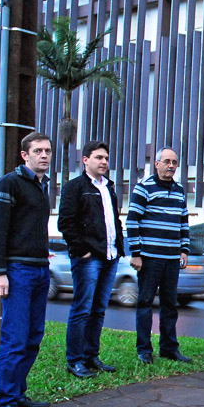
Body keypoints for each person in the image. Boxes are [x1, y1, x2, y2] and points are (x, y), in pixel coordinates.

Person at [0, 132, 54, 407]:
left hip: (40, 269)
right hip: (17, 272)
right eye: (38, 151)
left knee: (33, 336)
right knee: (15, 338)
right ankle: (5, 404)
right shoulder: (9, 183)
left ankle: (18, 394)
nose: (44, 155)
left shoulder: (42, 186)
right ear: (24, 155)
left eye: (47, 151)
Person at [57, 140, 125, 378]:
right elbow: (65, 222)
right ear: (85, 160)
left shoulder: (109, 187)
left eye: (106, 158)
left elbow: (113, 220)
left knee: (98, 310)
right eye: (98, 157)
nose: (104, 162)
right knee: (82, 309)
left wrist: (119, 247)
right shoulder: (75, 187)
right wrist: (82, 250)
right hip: (89, 258)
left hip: (110, 256)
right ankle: (75, 360)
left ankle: (91, 356)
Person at [126, 147, 192, 364]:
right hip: (149, 257)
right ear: (156, 164)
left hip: (172, 258)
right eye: (166, 161)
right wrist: (136, 254)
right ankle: (144, 349)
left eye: (174, 162)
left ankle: (169, 348)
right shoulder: (143, 188)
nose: (171, 166)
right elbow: (132, 221)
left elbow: (183, 221)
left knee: (170, 304)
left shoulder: (180, 190)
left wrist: (184, 249)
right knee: (145, 302)